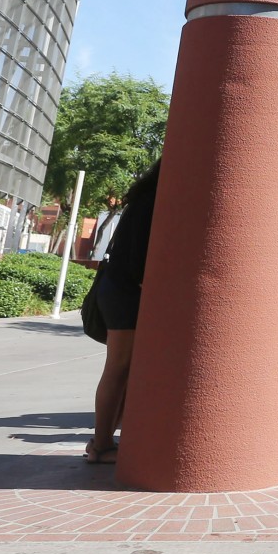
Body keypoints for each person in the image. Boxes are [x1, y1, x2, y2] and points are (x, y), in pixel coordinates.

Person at [85, 158, 160, 464]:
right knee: (119, 367)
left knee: (121, 367)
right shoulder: (153, 202)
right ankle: (101, 444)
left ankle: (108, 439)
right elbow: (138, 257)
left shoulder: (143, 199)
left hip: (117, 289)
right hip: (126, 292)